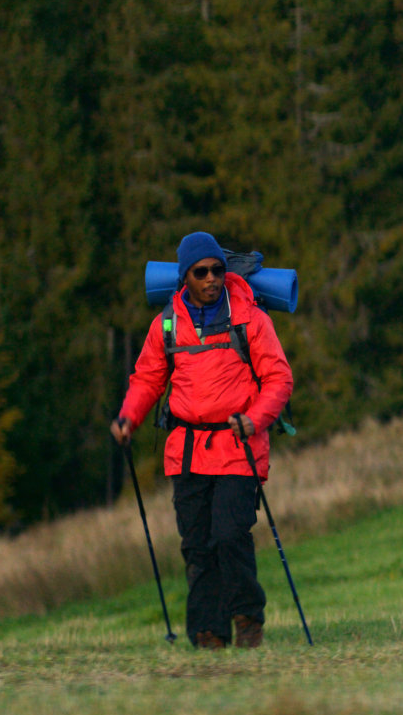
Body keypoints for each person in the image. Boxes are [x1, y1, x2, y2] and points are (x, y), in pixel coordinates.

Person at [112, 232, 295, 649]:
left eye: (217, 270)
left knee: (230, 536)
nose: (212, 279)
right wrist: (128, 418)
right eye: (201, 272)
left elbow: (279, 378)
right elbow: (147, 379)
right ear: (185, 278)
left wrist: (254, 419)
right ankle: (208, 633)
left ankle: (248, 620)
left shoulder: (251, 318)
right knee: (197, 545)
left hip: (238, 448)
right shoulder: (167, 325)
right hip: (187, 452)